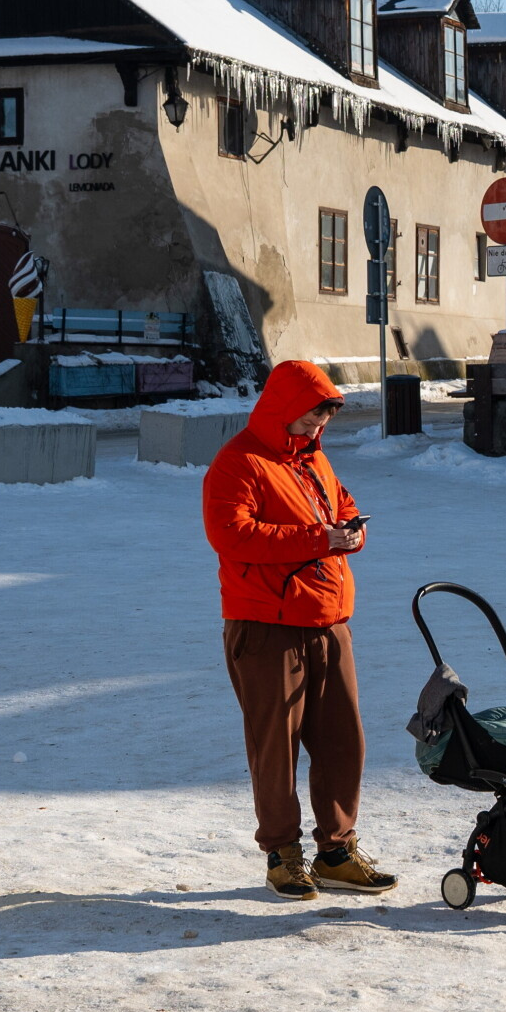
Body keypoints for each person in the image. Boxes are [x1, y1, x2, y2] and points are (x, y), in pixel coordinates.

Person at [202, 361, 396, 901]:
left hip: (328, 621)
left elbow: (344, 507)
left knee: (343, 743)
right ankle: (282, 854)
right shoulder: (238, 461)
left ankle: (336, 852)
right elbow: (231, 534)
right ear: (283, 408)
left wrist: (350, 533)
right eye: (311, 417)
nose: (317, 428)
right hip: (265, 625)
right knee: (276, 748)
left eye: (323, 419)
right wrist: (319, 538)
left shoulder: (314, 460)